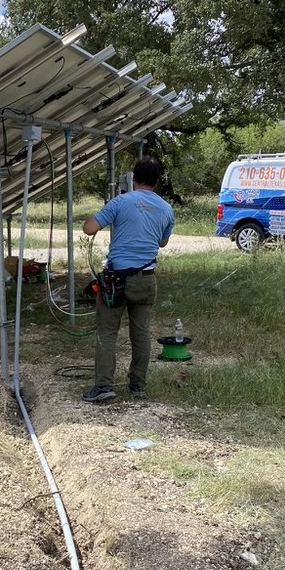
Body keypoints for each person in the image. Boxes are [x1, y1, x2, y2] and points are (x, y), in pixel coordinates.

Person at [81, 155, 174, 402]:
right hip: (145, 278)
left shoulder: (120, 202)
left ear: (133, 179)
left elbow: (90, 228)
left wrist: (90, 218)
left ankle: (103, 387)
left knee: (107, 332)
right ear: (157, 181)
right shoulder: (166, 209)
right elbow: (162, 242)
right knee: (141, 333)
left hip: (116, 280)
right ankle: (137, 386)